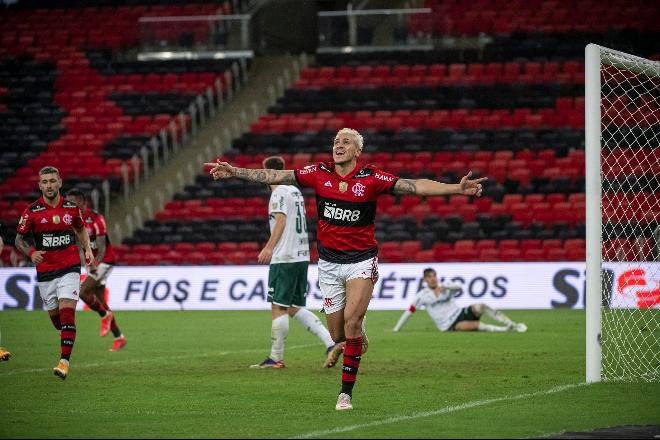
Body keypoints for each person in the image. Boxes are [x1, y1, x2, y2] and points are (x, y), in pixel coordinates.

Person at [205, 127, 487, 410]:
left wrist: (456, 188)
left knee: (352, 320)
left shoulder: (371, 177)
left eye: (346, 142)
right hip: (328, 264)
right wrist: (235, 172)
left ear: (357, 151)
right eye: (336, 141)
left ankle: (345, 393)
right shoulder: (319, 173)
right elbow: (275, 175)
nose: (338, 145)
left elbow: (413, 185)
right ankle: (355, 338)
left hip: (361, 260)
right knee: (340, 335)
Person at [250, 156, 339, 369]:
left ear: (268, 172)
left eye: (263, 173)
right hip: (301, 255)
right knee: (292, 307)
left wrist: (269, 247)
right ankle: (329, 342)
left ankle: (275, 358)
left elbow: (281, 221)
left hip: (285, 256)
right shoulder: (294, 190)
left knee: (278, 307)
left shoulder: (278, 193)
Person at [14, 166, 95, 380]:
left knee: (68, 314)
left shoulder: (71, 208)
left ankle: (64, 362)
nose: (49, 185)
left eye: (52, 181)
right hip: (46, 271)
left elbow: (80, 229)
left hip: (69, 267)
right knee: (58, 321)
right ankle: (67, 334)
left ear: (60, 182)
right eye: (45, 182)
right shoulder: (31, 211)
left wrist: (86, 249)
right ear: (40, 185)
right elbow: (19, 239)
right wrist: (31, 253)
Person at [65, 189, 127, 351]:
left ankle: (104, 316)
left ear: (82, 202)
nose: (69, 205)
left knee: (83, 291)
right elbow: (81, 246)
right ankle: (119, 337)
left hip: (105, 261)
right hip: (92, 263)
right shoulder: (73, 221)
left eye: (72, 202)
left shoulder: (96, 219)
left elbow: (102, 246)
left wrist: (94, 263)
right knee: (101, 302)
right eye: (67, 202)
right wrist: (85, 263)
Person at [394, 268, 527, 333]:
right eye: (429, 277)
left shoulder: (446, 287)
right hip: (448, 325)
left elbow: (459, 289)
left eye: (434, 276)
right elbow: (409, 312)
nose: (433, 279)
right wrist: (396, 329)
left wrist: (446, 286)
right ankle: (505, 330)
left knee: (481, 306)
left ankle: (512, 324)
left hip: (460, 312)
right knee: (475, 326)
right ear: (425, 280)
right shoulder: (422, 296)